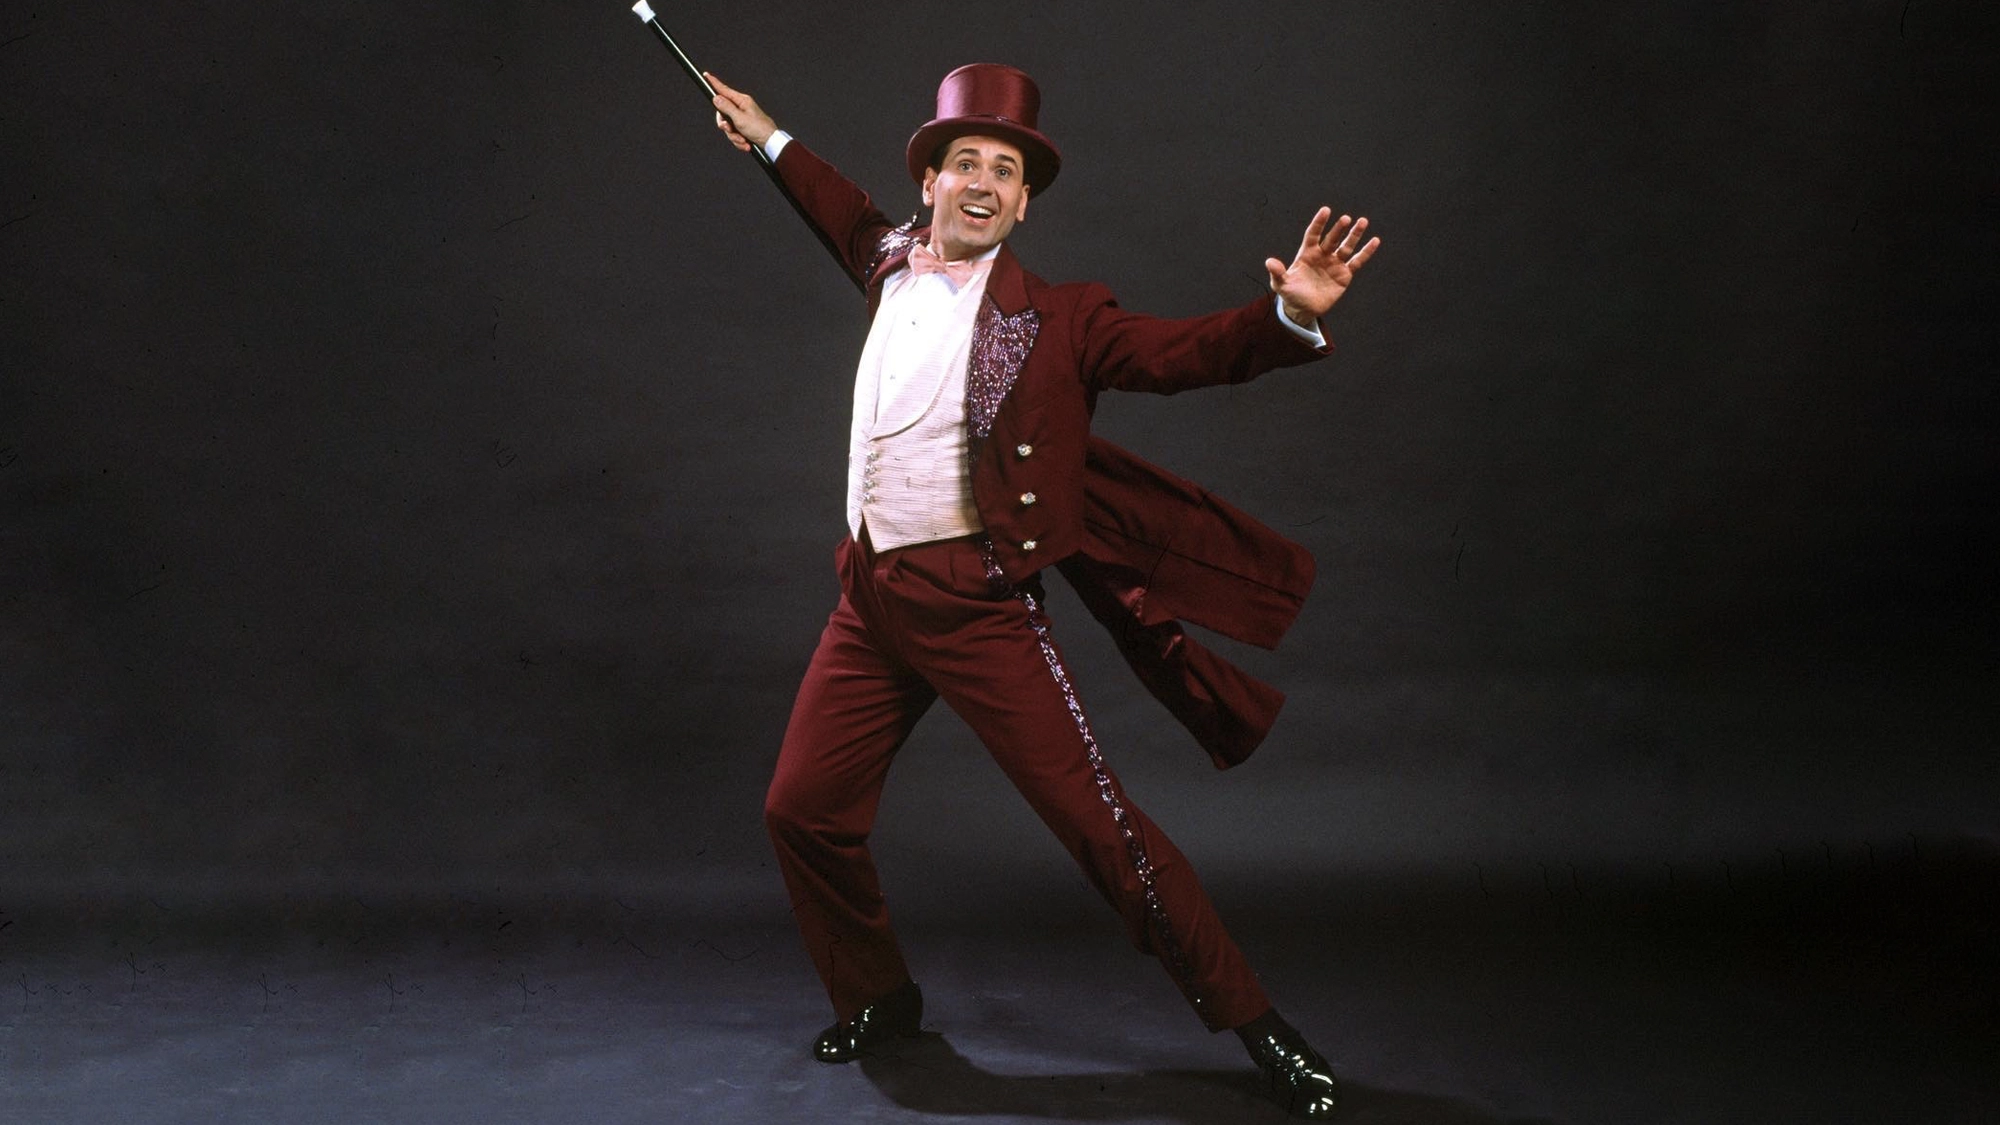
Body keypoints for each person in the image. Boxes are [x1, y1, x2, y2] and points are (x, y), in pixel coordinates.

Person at [705, 62, 1378, 1120]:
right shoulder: (884, 261)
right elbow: (829, 202)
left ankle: (1263, 1031)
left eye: (1002, 170)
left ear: (1022, 204)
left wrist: (1281, 317)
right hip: (870, 600)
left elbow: (1178, 353)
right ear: (927, 182)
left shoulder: (1060, 320)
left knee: (1103, 833)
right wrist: (767, 135)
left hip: (977, 606)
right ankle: (880, 1000)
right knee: (802, 809)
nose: (979, 181)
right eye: (960, 161)